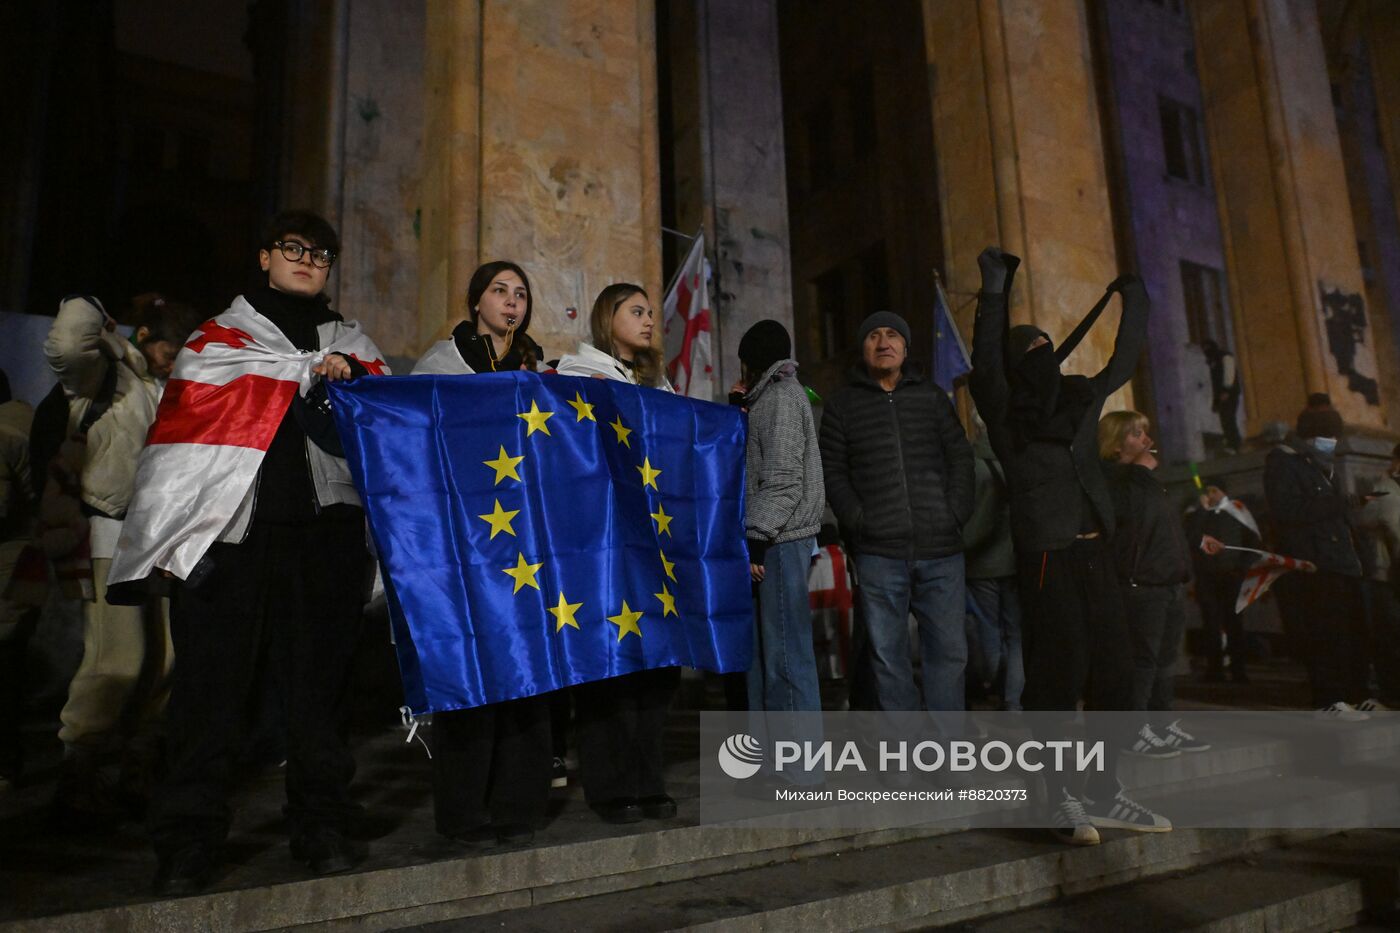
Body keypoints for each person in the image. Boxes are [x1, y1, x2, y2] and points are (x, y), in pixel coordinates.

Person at [110, 210, 389, 893]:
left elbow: (388, 421)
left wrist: (350, 380)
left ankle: (321, 824)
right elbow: (181, 445)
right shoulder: (220, 339)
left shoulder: (352, 341)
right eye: (293, 248)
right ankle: (188, 838)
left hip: (326, 535)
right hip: (231, 538)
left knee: (319, 695)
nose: (306, 259)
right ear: (264, 257)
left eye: (320, 252)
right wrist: (300, 373)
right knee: (210, 693)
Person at [970, 245, 1169, 845]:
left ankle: (1105, 790)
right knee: (1058, 679)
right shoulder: (1007, 415)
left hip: (1095, 555)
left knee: (1114, 675)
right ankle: (1058, 799)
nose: (1038, 358)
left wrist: (1136, 299)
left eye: (1042, 349)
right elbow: (984, 358)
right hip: (1047, 559)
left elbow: (1124, 359)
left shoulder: (1081, 403)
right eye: (1025, 352)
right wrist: (996, 284)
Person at [41, 293, 200, 824]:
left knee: (166, 659)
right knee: (117, 660)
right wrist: (89, 307)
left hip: (163, 536)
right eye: (166, 349)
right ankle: (81, 771)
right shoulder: (106, 378)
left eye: (183, 351)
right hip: (111, 529)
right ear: (143, 339)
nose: (174, 359)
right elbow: (67, 342)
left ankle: (132, 769)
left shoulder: (174, 389)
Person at [413, 260, 553, 849]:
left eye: (521, 294)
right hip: (463, 542)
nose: (512, 302)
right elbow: (417, 440)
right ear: (476, 302)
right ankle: (464, 809)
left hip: (526, 545)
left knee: (527, 667)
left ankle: (518, 802)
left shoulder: (537, 371)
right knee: (469, 672)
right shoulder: (440, 364)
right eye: (500, 291)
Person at [556, 283, 680, 824]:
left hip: (654, 547)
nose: (650, 320)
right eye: (637, 311)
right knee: (608, 663)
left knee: (657, 664)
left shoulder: (661, 385)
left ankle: (648, 780)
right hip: (600, 548)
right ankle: (610, 787)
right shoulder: (575, 377)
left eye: (651, 312)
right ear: (609, 318)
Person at [818, 311, 973, 715]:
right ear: (863, 347)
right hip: (878, 554)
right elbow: (832, 470)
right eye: (873, 335)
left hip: (942, 549)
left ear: (905, 346)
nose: (883, 342)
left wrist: (954, 512)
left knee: (950, 656)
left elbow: (959, 457)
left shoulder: (932, 398)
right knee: (888, 659)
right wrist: (858, 520)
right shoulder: (842, 404)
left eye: (892, 335)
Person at [1099, 411, 1208, 758]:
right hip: (1141, 584)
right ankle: (1133, 729)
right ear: (1116, 446)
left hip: (1168, 582)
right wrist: (1141, 471)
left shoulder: (1149, 480)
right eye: (1135, 434)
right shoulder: (1116, 480)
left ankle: (1161, 724)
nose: (1147, 440)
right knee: (1142, 662)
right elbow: (1127, 526)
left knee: (1164, 660)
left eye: (1146, 432)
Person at [731, 320, 824, 713]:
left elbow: (784, 481)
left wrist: (756, 540)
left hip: (780, 541)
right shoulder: (768, 397)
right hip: (776, 537)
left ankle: (800, 772)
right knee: (769, 659)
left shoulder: (781, 397)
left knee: (786, 659)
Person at [1263, 406, 1370, 719]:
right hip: (1318, 564)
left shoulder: (1321, 464)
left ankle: (1358, 694)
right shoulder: (1284, 462)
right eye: (1328, 436)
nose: (1333, 442)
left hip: (1344, 562)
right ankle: (1330, 699)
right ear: (1311, 436)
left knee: (1355, 634)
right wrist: (1338, 503)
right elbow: (1288, 510)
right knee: (1328, 635)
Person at [963, 416, 1022, 712]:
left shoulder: (970, 465)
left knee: (988, 627)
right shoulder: (1016, 462)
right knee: (1016, 636)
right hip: (1014, 560)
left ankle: (993, 681)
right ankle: (1014, 700)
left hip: (979, 562)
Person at [1185, 484, 1261, 683]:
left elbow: (1252, 542)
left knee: (1235, 624)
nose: (1210, 495)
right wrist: (1201, 510)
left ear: (1224, 491)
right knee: (1211, 624)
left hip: (1232, 577)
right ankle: (1215, 669)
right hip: (1207, 578)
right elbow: (1191, 536)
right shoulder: (1200, 514)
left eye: (1214, 491)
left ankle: (1238, 669)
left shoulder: (1237, 512)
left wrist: (1241, 568)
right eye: (1207, 491)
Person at [1, 370, 37, 791]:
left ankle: (6, 760)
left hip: (6, 561)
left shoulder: (1, 433)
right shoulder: (23, 422)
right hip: (24, 559)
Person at [1350, 444, 1400, 708]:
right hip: (1387, 574)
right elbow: (1364, 520)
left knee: (1390, 635)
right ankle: (1391, 690)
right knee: (1389, 635)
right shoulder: (1384, 490)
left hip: (1389, 573)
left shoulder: (1385, 489)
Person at [1201, 339, 1241, 452]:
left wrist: (1226, 390)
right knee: (1225, 419)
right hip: (1222, 395)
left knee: (1228, 418)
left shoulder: (1224, 357)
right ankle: (1231, 443)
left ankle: (1234, 443)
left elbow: (1229, 374)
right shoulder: (1213, 360)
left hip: (1229, 394)